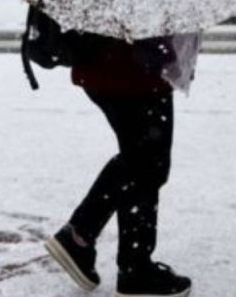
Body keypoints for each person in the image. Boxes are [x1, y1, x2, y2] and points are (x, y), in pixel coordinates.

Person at [44, 32, 201, 297]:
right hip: (132, 69)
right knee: (148, 164)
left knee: (141, 160)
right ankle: (133, 269)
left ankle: (82, 238)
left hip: (108, 64)